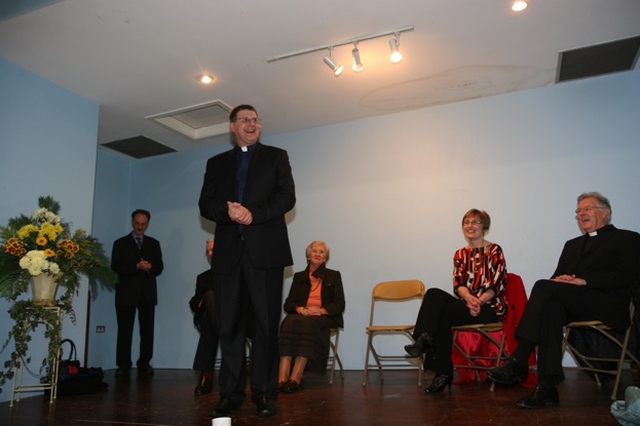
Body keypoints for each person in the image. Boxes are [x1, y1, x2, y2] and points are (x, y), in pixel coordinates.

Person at [488, 192, 640, 408]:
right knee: (550, 308)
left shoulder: (628, 238)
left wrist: (584, 281)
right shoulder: (572, 244)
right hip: (577, 304)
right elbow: (555, 280)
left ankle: (519, 358)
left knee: (543, 287)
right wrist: (563, 279)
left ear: (605, 212)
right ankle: (547, 387)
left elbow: (626, 276)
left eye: (587, 208)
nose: (581, 214)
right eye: (578, 211)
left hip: (607, 304)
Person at [198, 104, 296, 418]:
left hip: (266, 254)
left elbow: (287, 197)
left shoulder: (276, 157)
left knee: (267, 326)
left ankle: (265, 394)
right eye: (244, 120)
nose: (251, 124)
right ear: (232, 126)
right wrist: (227, 212)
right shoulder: (216, 163)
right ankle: (231, 394)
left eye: (255, 120)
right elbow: (205, 204)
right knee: (229, 327)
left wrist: (253, 214)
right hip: (228, 256)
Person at [404, 209, 508, 394]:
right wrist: (469, 298)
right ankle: (424, 338)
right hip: (465, 304)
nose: (470, 226)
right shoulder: (460, 254)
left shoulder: (494, 250)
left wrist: (479, 301)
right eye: (466, 222)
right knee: (434, 294)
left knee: (443, 313)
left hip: (489, 307)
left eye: (475, 222)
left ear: (484, 226)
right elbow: (458, 283)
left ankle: (438, 365)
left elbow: (497, 284)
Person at [277, 240, 345, 393]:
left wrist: (321, 310)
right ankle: (281, 377)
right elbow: (288, 304)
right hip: (303, 314)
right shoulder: (299, 276)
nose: (318, 254)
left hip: (323, 317)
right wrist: (300, 309)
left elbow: (339, 305)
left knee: (307, 324)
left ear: (326, 257)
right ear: (308, 255)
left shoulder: (333, 276)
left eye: (322, 252)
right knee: (288, 321)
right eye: (314, 251)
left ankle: (296, 376)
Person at [111, 209, 164, 377]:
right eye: (137, 223)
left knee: (147, 331)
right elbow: (116, 266)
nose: (140, 227)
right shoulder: (120, 243)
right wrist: (136, 266)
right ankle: (123, 364)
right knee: (124, 331)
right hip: (126, 293)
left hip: (147, 293)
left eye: (143, 224)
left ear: (147, 223)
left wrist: (150, 268)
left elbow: (159, 267)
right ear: (132, 222)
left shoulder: (154, 244)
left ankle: (145, 363)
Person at [189, 238, 219, 396]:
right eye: (207, 251)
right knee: (209, 302)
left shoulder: (236, 273)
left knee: (209, 322)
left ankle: (206, 375)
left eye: (213, 250)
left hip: (235, 319)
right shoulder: (203, 277)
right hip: (219, 323)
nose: (210, 254)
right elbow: (194, 302)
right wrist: (207, 299)